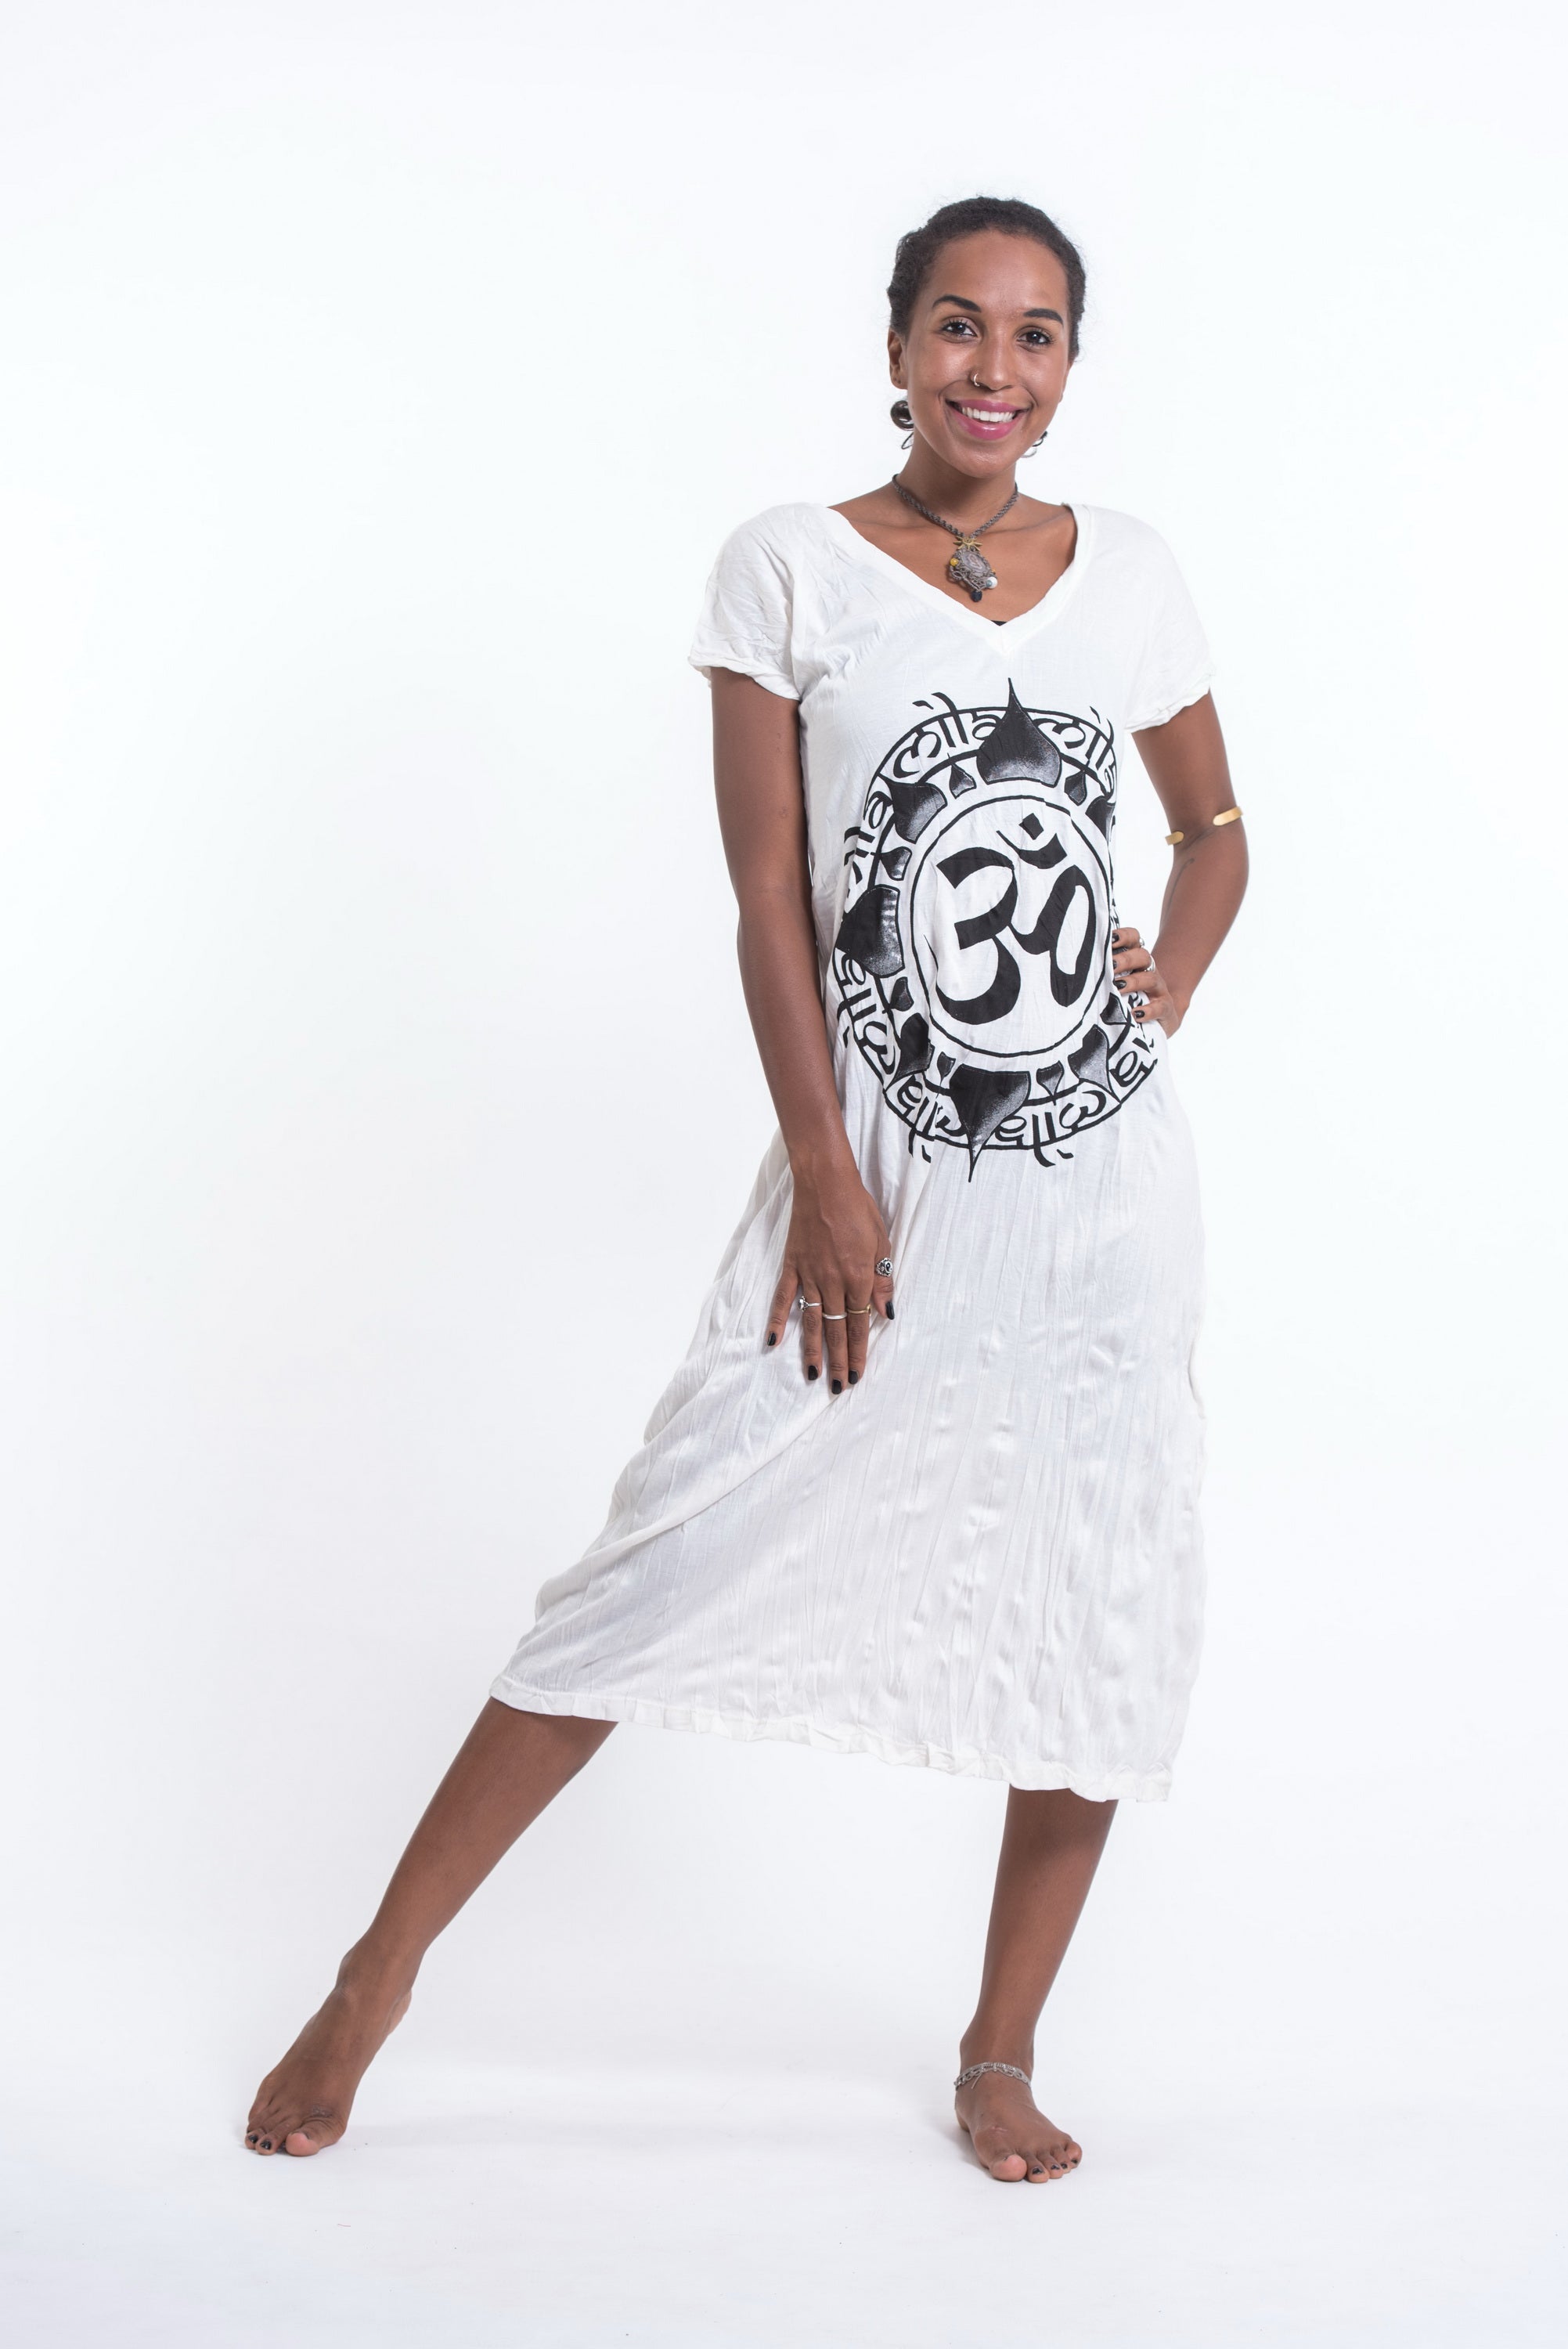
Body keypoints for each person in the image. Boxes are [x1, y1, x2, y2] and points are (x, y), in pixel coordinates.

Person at [246, 194, 1247, 2185]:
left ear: (1070, 368)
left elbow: (1214, 826)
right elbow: (768, 900)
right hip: (873, 1179)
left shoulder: (1130, 573)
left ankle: (999, 2052)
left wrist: (1171, 980)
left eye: (1035, 335)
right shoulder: (790, 567)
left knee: (1095, 1600)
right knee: (660, 1556)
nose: (992, 369)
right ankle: (376, 1975)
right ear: (896, 347)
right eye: (957, 325)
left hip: (1101, 1207)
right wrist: (823, 1174)